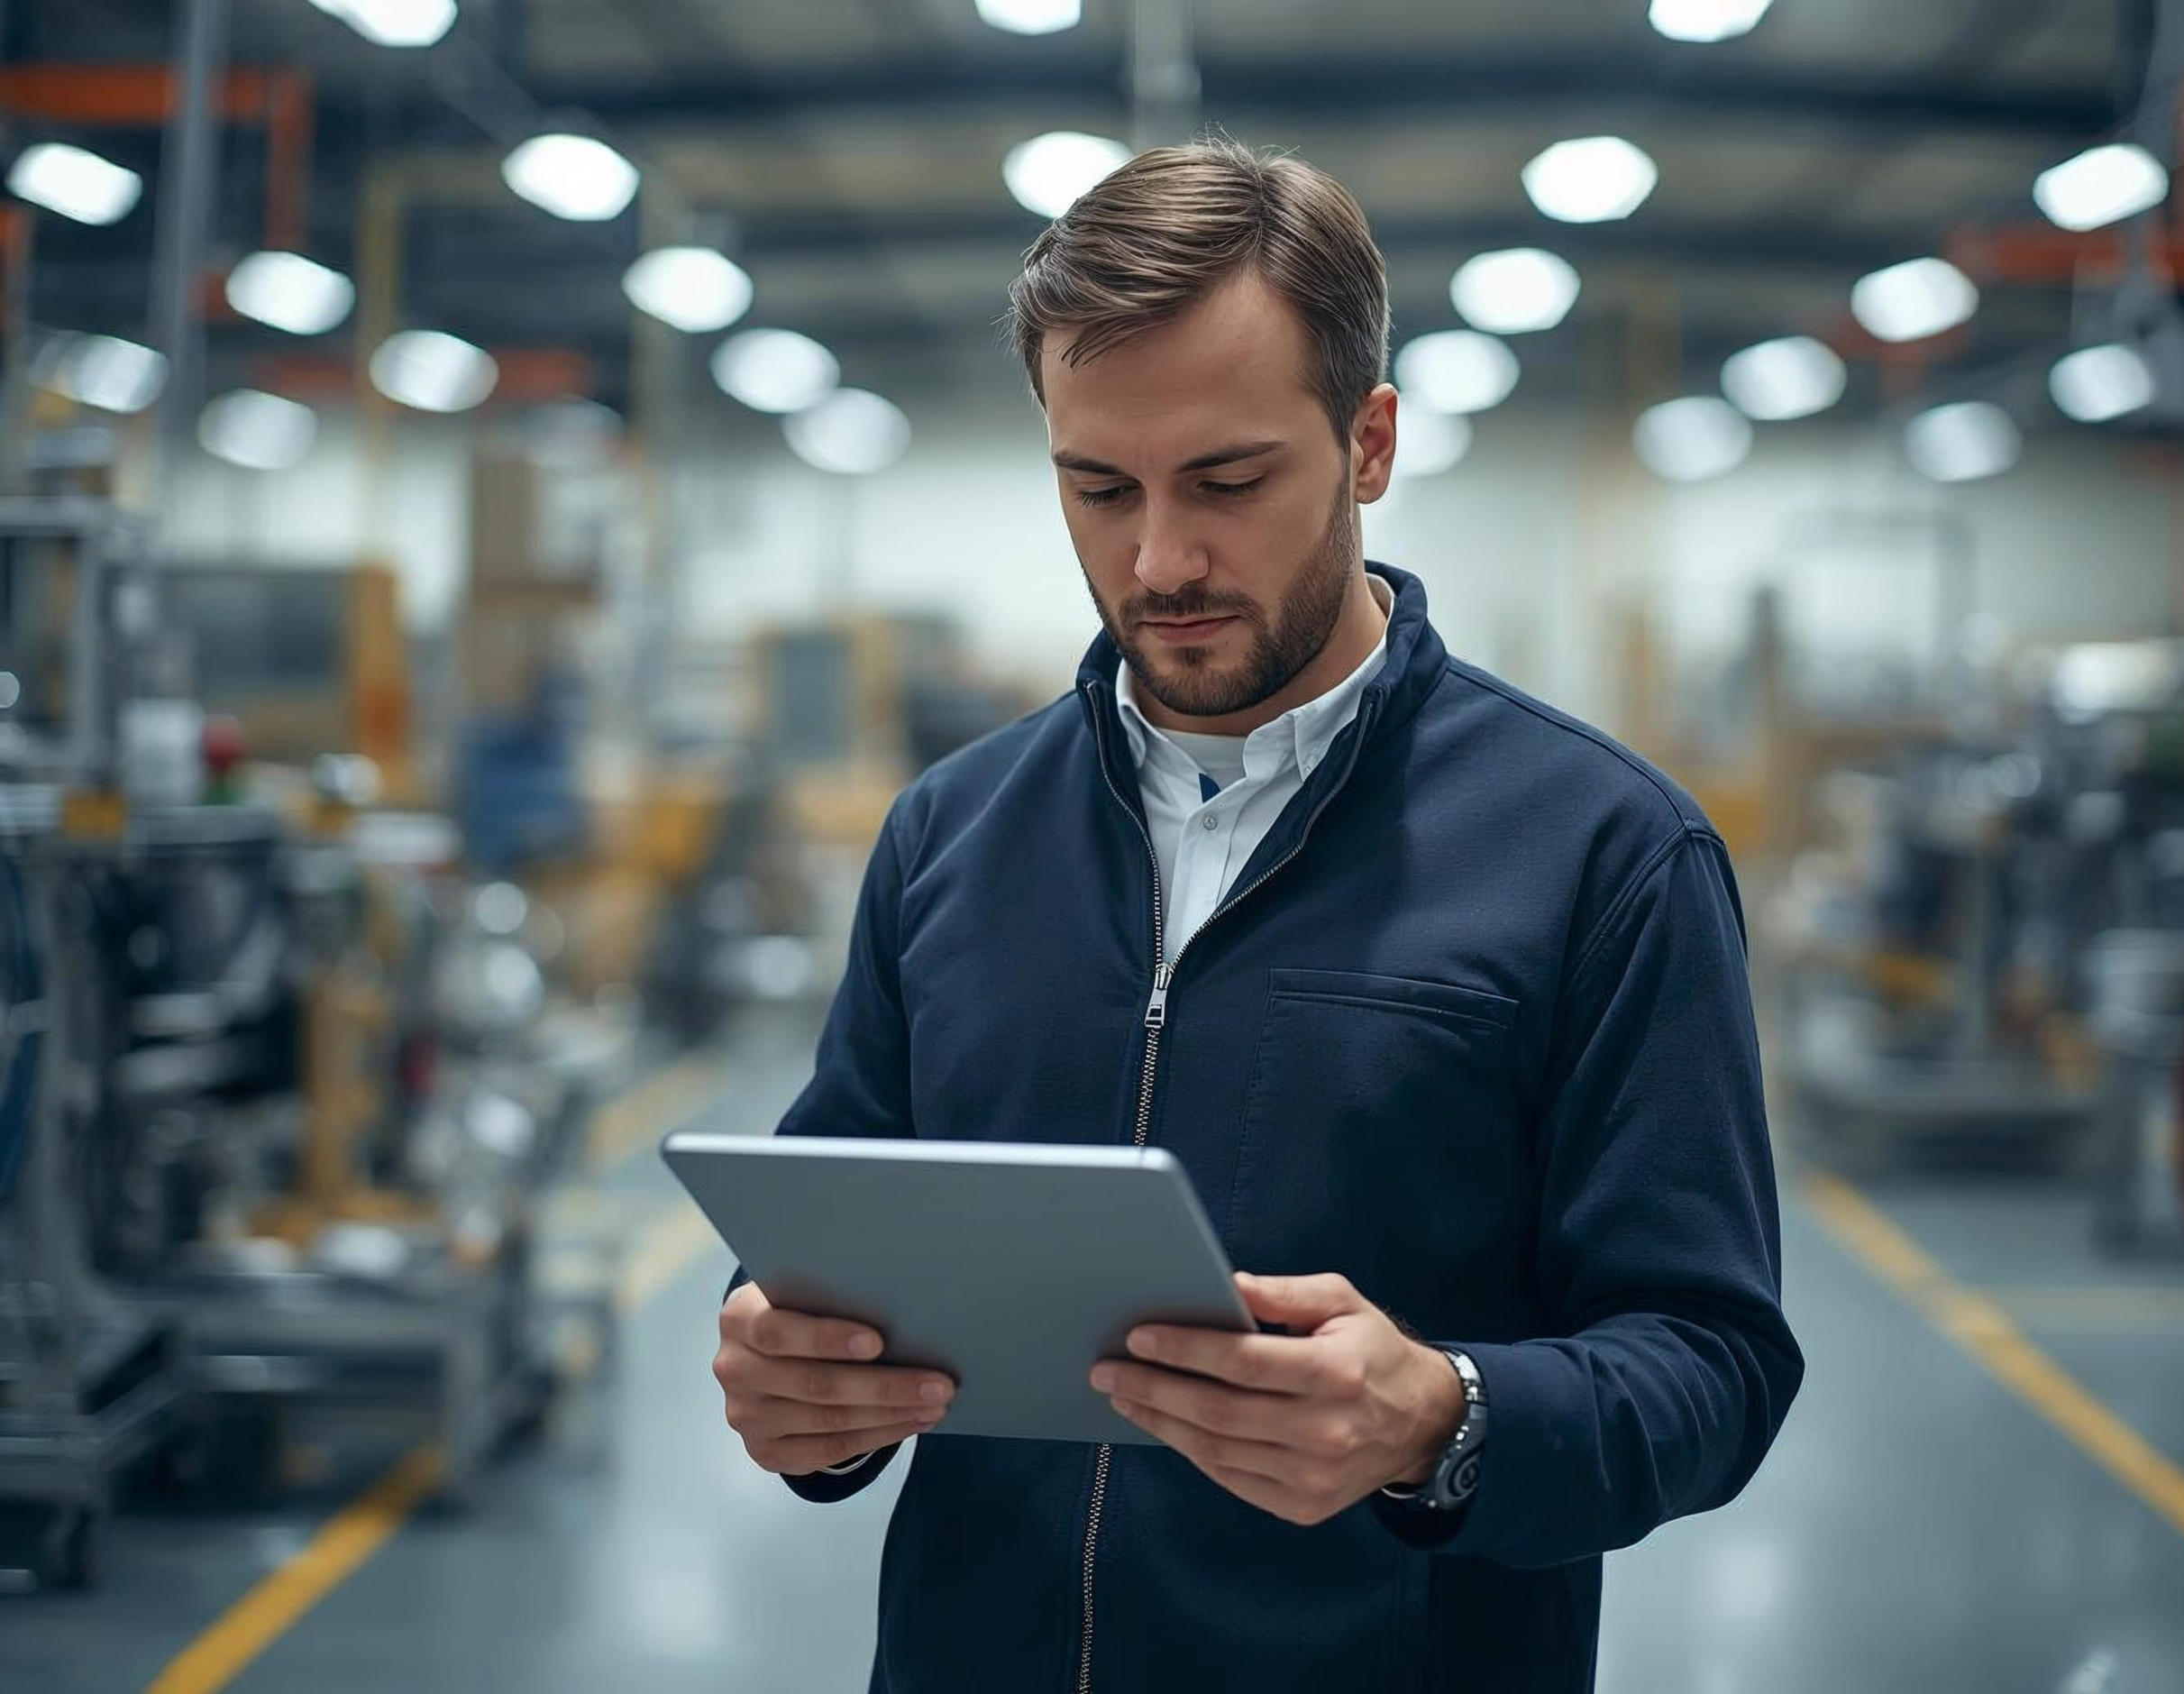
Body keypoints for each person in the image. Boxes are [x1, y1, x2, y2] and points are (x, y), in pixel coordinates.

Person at [714, 137, 1803, 1694]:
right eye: (1098, 489)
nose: (1158, 560)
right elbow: (828, 1234)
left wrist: (1445, 1416)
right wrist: (788, 1378)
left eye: (1227, 481)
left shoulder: (1602, 853)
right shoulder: (949, 836)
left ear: (1368, 444)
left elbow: (1714, 1363)